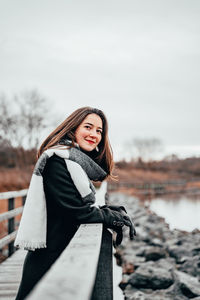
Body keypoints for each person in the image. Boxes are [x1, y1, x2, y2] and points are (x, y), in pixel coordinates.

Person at [14, 106, 136, 300]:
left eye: (99, 131)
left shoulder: (73, 163)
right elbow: (77, 212)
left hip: (66, 251)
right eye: (88, 127)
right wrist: (113, 218)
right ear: (73, 128)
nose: (94, 134)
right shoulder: (57, 161)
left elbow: (75, 206)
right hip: (51, 256)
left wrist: (106, 211)